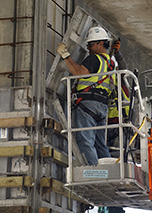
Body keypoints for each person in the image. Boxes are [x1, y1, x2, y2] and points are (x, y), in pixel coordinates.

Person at [56, 26, 114, 165]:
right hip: (102, 107)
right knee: (100, 145)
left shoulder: (94, 59)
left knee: (86, 142)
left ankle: (95, 174)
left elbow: (79, 73)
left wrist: (66, 56)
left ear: (101, 43)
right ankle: (108, 173)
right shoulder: (110, 63)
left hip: (88, 104)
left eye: (90, 44)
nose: (88, 47)